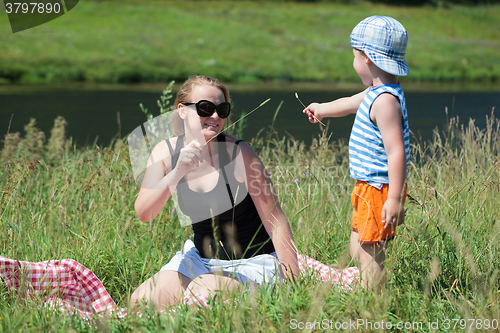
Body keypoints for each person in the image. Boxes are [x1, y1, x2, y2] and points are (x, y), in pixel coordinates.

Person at [130, 75, 299, 310]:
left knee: (206, 294)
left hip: (251, 262)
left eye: (222, 109)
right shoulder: (165, 151)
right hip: (200, 260)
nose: (216, 116)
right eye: (205, 108)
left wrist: (293, 282)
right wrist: (177, 172)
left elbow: (276, 220)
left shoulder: (241, 154)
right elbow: (144, 213)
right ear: (182, 110)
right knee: (142, 302)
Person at [302, 16, 410, 289]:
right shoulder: (376, 92)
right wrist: (321, 108)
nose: (353, 63)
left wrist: (394, 198)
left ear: (367, 59)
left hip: (378, 188)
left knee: (369, 250)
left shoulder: (386, 102)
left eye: (354, 56)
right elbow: (349, 103)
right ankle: (365, 285)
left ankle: (372, 299)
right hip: (366, 185)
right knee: (358, 246)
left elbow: (396, 152)